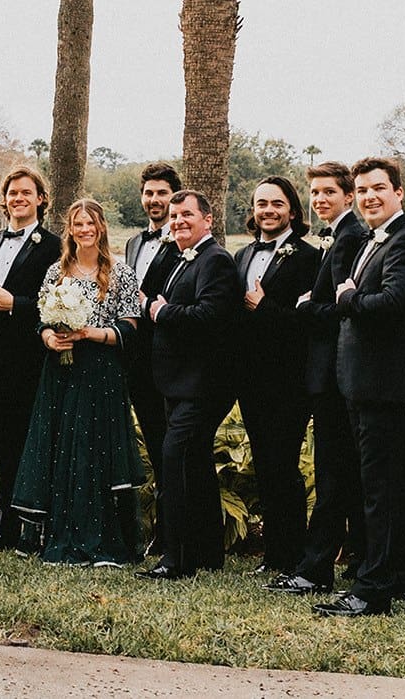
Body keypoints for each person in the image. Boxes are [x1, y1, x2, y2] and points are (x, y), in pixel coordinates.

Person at [313, 157, 405, 618]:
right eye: (362, 191)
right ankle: (396, 575)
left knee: (380, 489)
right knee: (379, 487)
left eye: (377, 188)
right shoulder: (371, 241)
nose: (368, 197)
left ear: (399, 192)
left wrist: (347, 298)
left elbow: (395, 304)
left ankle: (371, 590)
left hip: (390, 387)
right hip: (361, 384)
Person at [13, 199, 144, 565]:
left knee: (93, 449)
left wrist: (91, 334)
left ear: (101, 226)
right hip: (61, 371)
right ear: (69, 229)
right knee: (61, 447)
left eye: (90, 223)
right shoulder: (57, 272)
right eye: (77, 224)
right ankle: (58, 532)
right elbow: (40, 321)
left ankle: (102, 537)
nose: (84, 230)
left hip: (100, 372)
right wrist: (50, 338)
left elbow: (130, 330)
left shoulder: (121, 272)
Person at [268, 163, 368, 596]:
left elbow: (342, 309)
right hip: (329, 375)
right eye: (315, 191)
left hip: (335, 376)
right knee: (341, 472)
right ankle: (357, 559)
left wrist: (307, 306)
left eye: (329, 191)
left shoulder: (348, 237)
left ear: (348, 195)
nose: (320, 199)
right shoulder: (336, 235)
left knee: (332, 474)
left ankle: (315, 569)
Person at [138, 190, 240, 580]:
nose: (178, 221)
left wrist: (163, 311)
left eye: (187, 215)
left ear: (207, 220)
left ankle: (176, 558)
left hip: (203, 384)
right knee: (195, 465)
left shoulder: (216, 261)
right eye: (174, 216)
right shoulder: (183, 258)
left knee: (176, 459)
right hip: (177, 383)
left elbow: (210, 315)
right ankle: (208, 552)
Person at [234, 176, 321, 577]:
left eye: (276, 203)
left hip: (288, 380)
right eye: (261, 203)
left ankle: (292, 554)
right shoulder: (243, 254)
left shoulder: (307, 258)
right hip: (250, 378)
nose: (268, 210)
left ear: (292, 210)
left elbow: (309, 324)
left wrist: (265, 307)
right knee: (265, 466)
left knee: (284, 466)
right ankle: (273, 554)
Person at [0, 166, 61, 552]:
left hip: (31, 358)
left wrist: (17, 305)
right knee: (0, 445)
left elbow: (58, 302)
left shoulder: (53, 245)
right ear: (4, 199)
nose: (18, 198)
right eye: (12, 193)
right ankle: (5, 528)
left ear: (41, 199)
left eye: (27, 192)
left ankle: (36, 529)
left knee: (32, 444)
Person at [122, 161, 181, 551]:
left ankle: (169, 533)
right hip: (133, 359)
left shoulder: (181, 244)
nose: (154, 200)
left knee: (167, 449)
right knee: (150, 444)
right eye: (149, 193)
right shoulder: (131, 243)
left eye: (161, 193)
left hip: (169, 360)